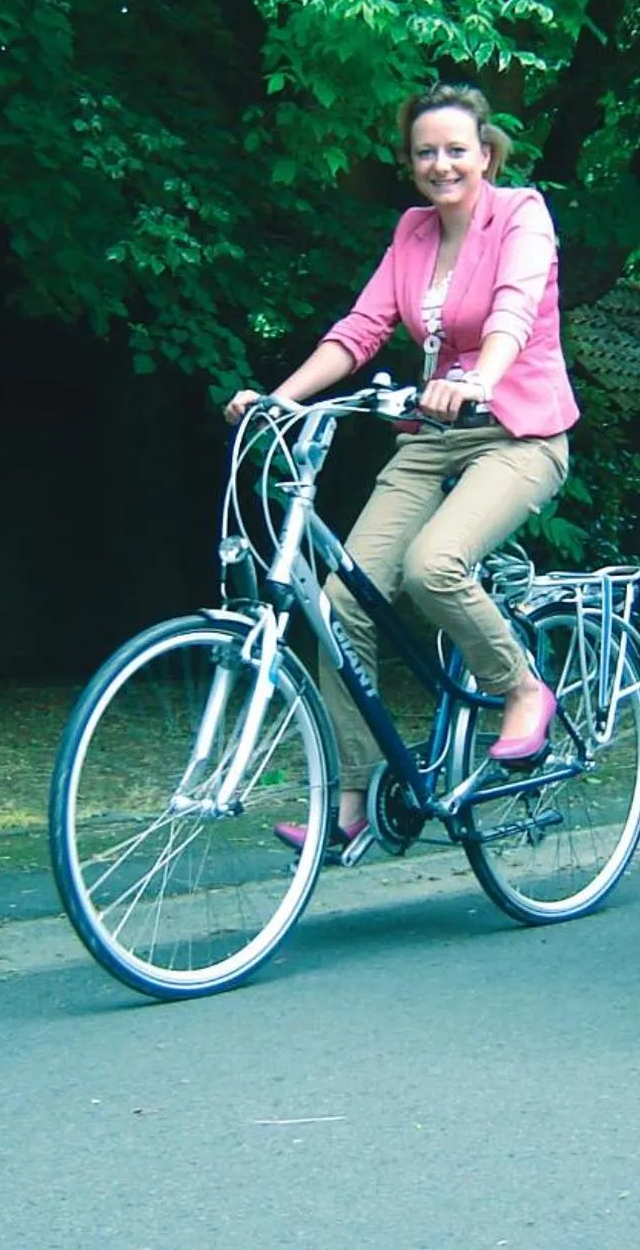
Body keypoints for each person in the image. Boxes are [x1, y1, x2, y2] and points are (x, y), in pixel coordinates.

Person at [225, 82, 578, 857]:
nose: (441, 164)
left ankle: (522, 690)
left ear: (486, 154)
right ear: (410, 162)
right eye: (426, 152)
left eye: (457, 149)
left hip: (518, 429)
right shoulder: (413, 231)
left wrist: (480, 377)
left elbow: (516, 308)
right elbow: (360, 329)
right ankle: (352, 800)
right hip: (431, 433)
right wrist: (277, 399)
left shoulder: (521, 214)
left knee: (434, 566)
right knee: (340, 600)